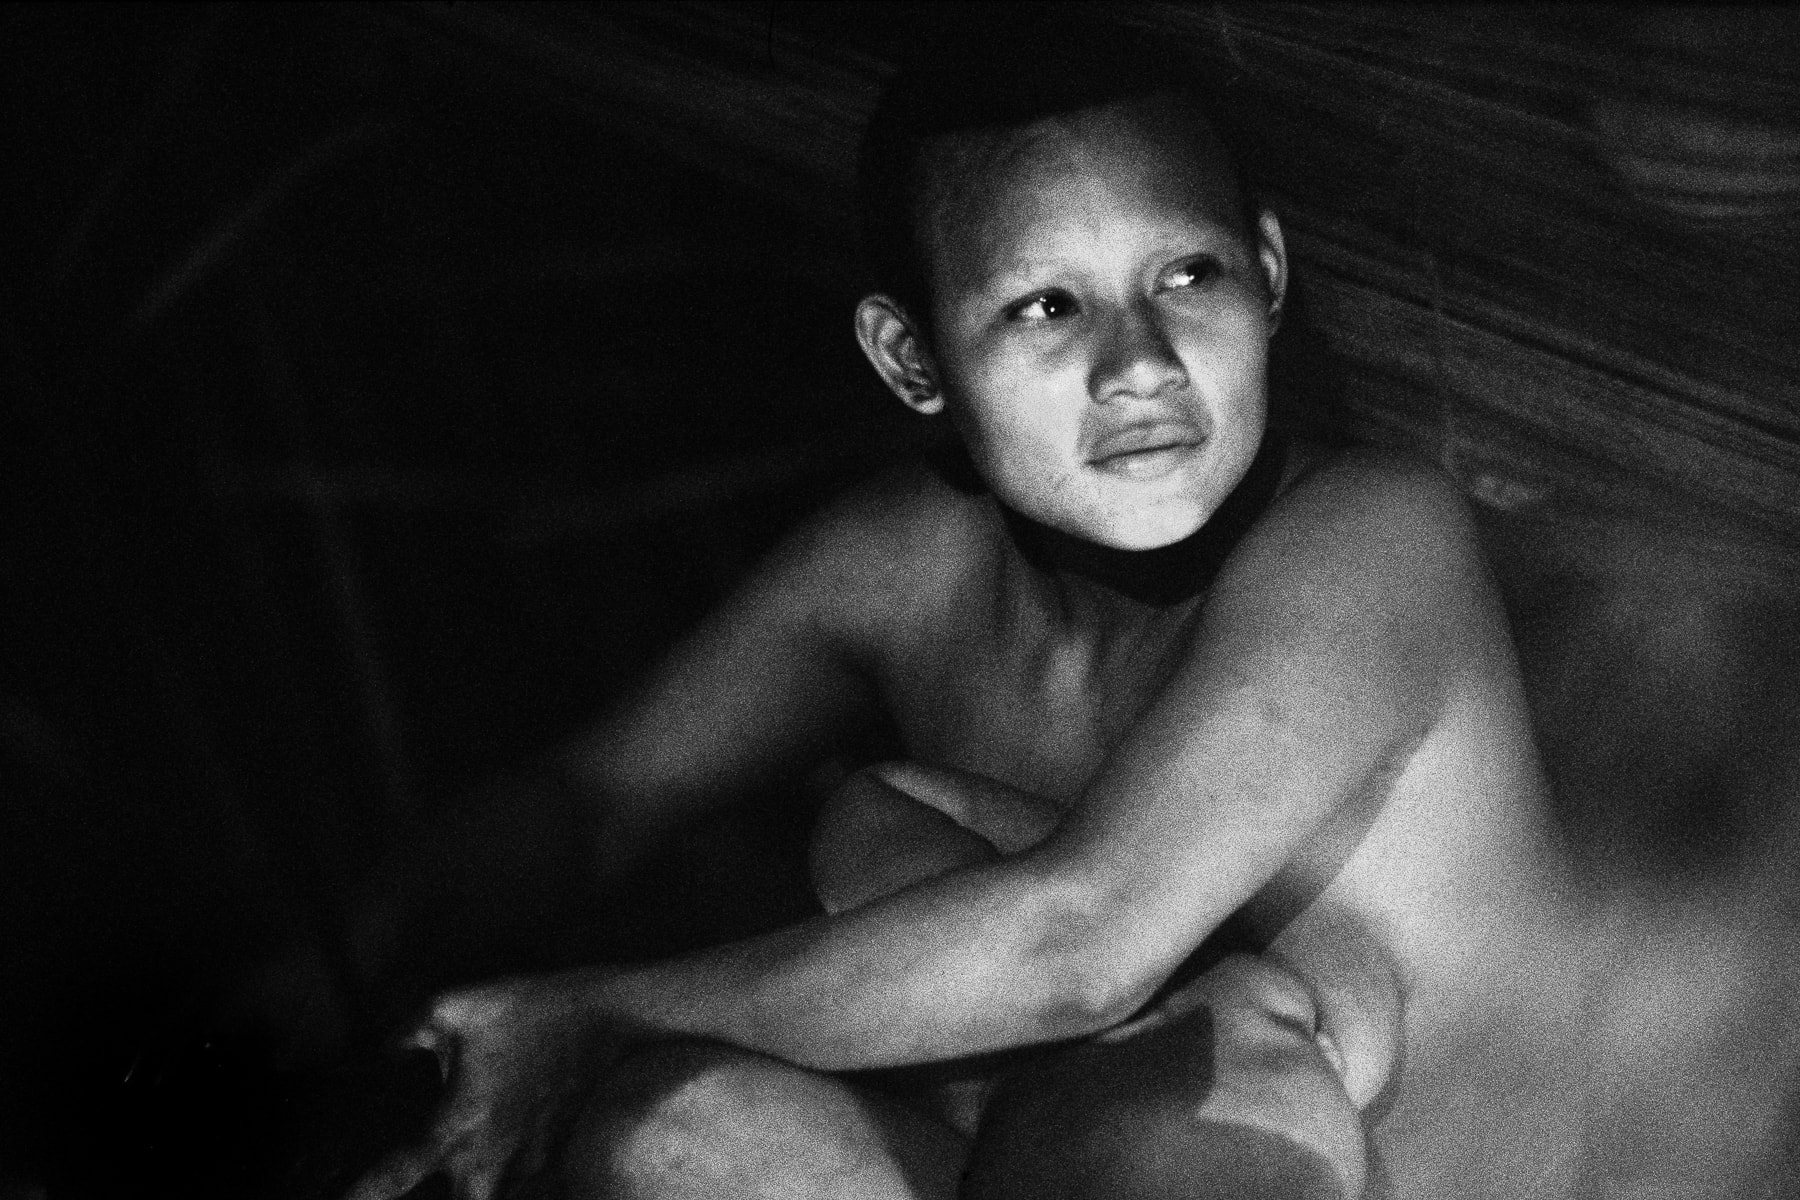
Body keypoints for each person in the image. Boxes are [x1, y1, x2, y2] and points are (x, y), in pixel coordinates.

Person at [348, 14, 1586, 1200]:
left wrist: (599, 1010)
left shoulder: (1375, 536)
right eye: (1048, 307)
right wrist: (332, 986)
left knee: (1191, 1073)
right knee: (679, 1137)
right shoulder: (911, 563)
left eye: (1187, 273)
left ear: (1266, 277)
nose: (1142, 365)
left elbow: (1082, 949)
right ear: (913, 360)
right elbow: (597, 798)